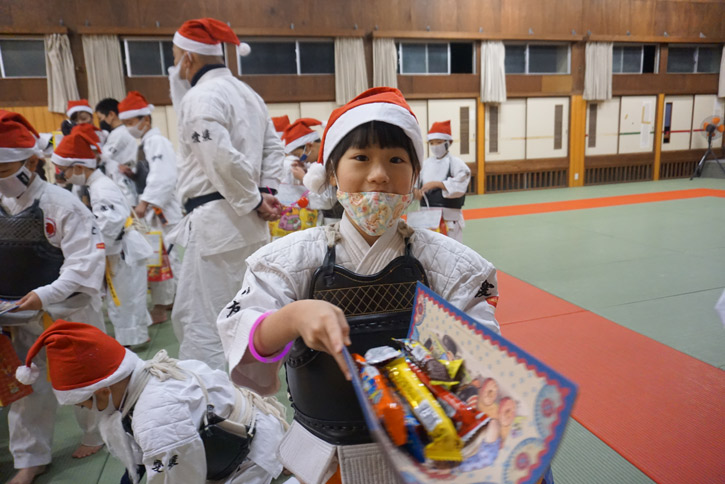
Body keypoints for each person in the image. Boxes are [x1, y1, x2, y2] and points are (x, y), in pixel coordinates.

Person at [216, 87, 501, 484]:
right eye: (361, 157)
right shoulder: (291, 259)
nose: (379, 173)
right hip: (327, 455)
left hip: (427, 453)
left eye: (396, 159)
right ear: (332, 172)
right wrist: (292, 318)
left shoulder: (451, 264)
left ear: (415, 175)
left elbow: (483, 358)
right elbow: (245, 338)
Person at [15, 320, 289, 484]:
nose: (84, 410)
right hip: (240, 434)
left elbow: (179, 477)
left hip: (251, 457)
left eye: (81, 403)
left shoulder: (156, 419)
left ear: (102, 392)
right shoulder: (141, 377)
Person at [167, 17, 285, 370]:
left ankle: (217, 400)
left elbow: (219, 156)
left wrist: (254, 198)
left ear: (188, 58)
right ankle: (251, 393)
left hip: (218, 225)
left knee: (205, 322)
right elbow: (274, 149)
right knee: (245, 314)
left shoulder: (201, 96)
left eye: (175, 56)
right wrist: (264, 192)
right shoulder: (249, 94)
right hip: (248, 225)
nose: (175, 65)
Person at [0, 110, 107, 484]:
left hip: (67, 311)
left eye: (3, 169)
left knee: (84, 379)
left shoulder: (62, 205)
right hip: (16, 314)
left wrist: (44, 294)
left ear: (31, 162)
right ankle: (31, 458)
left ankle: (95, 434)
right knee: (27, 387)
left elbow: (85, 263)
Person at [51, 125, 153, 347]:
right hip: (119, 248)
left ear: (79, 167)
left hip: (122, 249)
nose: (63, 176)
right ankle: (133, 337)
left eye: (64, 171)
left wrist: (90, 248)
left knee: (125, 299)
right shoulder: (96, 185)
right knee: (127, 298)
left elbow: (110, 223)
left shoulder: (101, 188)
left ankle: (131, 343)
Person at [118, 91, 183, 324]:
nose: (129, 127)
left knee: (165, 258)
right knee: (161, 258)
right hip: (153, 210)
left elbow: (164, 176)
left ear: (145, 119)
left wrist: (145, 203)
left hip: (161, 211)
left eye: (131, 122)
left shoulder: (157, 142)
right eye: (125, 123)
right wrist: (132, 173)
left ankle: (164, 305)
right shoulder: (146, 144)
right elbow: (149, 174)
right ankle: (171, 301)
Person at [414, 120, 471, 242]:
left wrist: (438, 184)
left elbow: (461, 185)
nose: (435, 146)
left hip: (449, 219)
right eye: (432, 143)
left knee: (451, 248)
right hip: (427, 217)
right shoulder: (425, 164)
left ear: (448, 142)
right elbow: (415, 184)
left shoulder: (456, 163)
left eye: (439, 142)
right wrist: (416, 192)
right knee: (428, 247)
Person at [95, 98, 140, 207]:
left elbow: (102, 157)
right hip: (124, 183)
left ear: (111, 114)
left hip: (126, 185)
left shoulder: (119, 134)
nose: (101, 122)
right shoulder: (117, 133)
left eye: (101, 118)